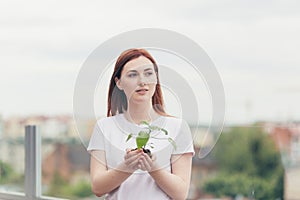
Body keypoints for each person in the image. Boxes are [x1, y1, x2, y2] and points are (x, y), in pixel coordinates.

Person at [87, 48, 194, 200]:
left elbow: (181, 193)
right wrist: (127, 167)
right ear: (119, 83)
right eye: (132, 75)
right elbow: (97, 187)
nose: (142, 81)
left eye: (148, 73)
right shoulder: (104, 127)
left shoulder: (177, 128)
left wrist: (152, 168)